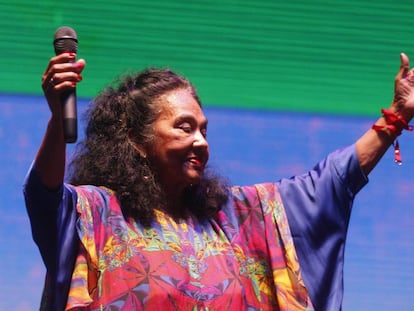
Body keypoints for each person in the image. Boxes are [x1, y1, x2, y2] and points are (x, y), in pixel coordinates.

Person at [24, 51, 414, 311]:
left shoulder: (238, 219)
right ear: (137, 142)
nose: (201, 141)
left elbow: (327, 183)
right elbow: (44, 195)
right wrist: (59, 121)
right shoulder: (97, 215)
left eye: (204, 129)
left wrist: (395, 118)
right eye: (184, 127)